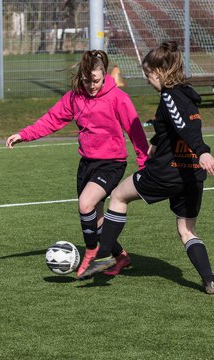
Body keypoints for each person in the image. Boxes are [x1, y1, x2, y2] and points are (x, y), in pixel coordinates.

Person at [78, 41, 214, 295]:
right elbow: (172, 128)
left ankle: (105, 255)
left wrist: (203, 150)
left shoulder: (169, 95)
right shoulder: (188, 93)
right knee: (187, 230)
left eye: (148, 76)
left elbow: (186, 128)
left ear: (159, 73)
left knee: (118, 196)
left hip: (166, 171)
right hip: (191, 174)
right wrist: (155, 144)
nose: (149, 81)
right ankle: (209, 279)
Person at [6, 49, 149, 277]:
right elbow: (52, 119)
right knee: (98, 220)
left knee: (85, 204)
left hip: (112, 163)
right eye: (87, 80)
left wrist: (144, 164)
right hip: (87, 163)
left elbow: (136, 132)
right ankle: (121, 257)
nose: (92, 86)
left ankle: (92, 252)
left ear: (104, 75)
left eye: (96, 80)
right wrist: (24, 134)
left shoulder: (118, 98)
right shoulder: (75, 97)